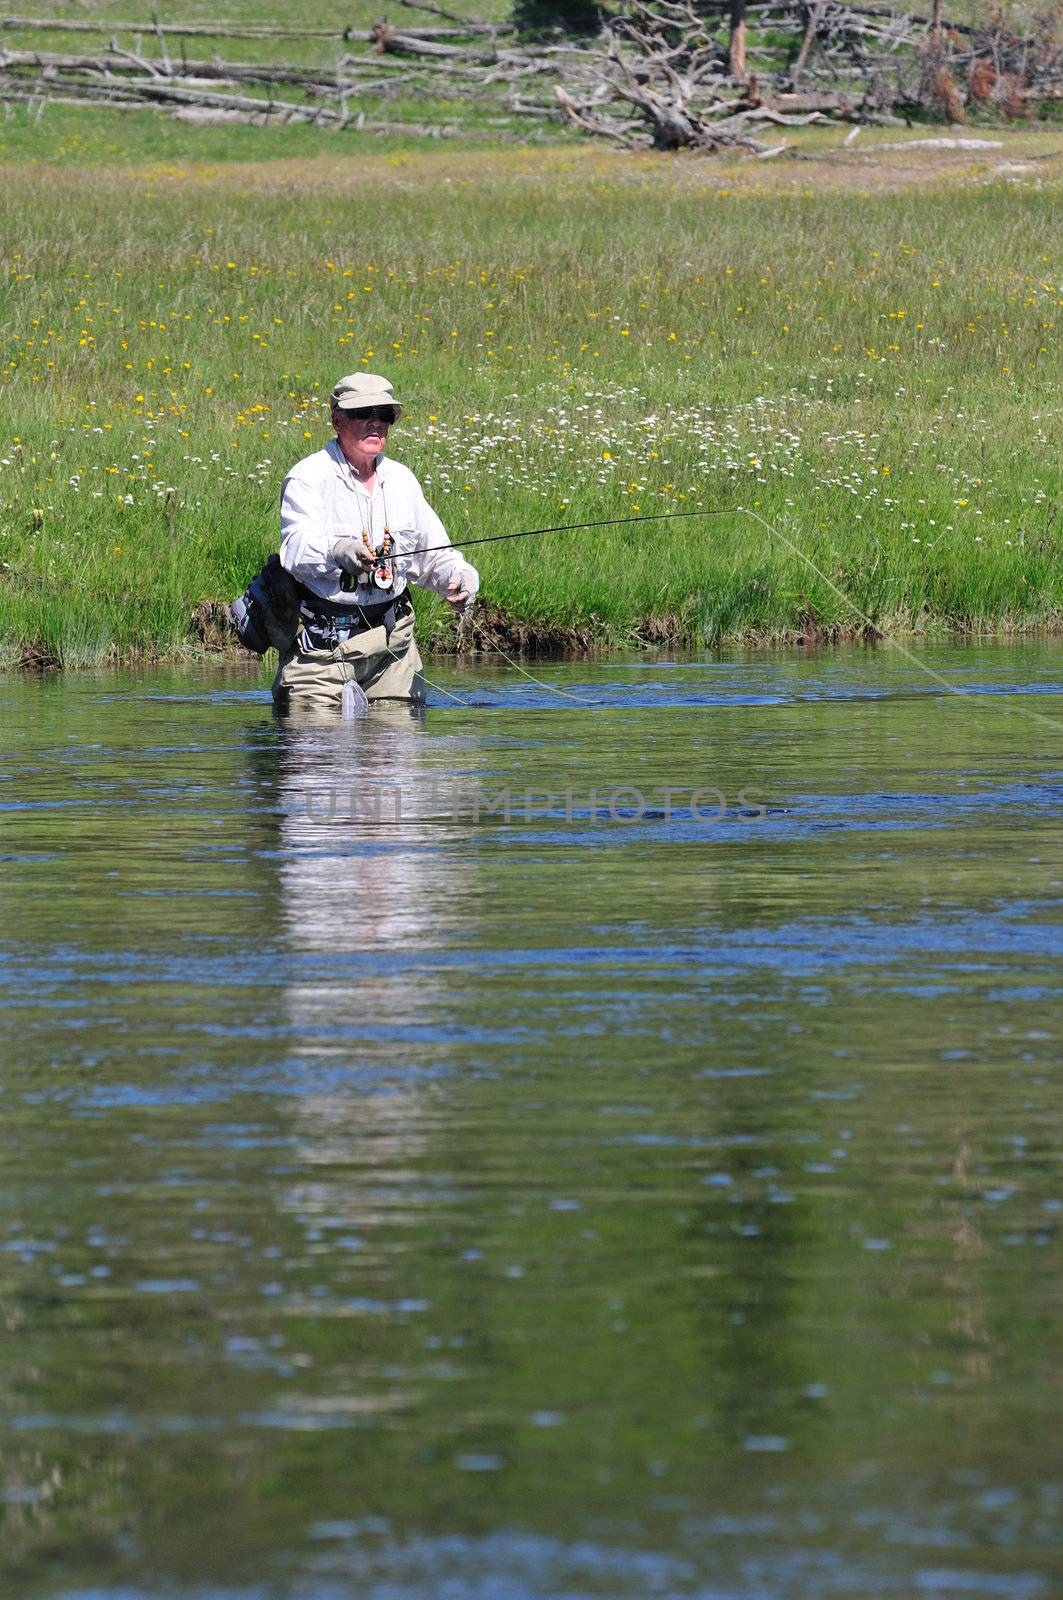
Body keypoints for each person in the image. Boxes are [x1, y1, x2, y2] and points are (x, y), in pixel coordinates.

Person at [271, 371, 479, 712]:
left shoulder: (402, 480)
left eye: (384, 415)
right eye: (361, 414)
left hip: (393, 650)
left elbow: (437, 558)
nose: (375, 423)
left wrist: (461, 581)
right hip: (320, 650)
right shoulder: (308, 477)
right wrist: (337, 551)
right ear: (336, 420)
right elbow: (294, 549)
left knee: (395, 756)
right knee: (316, 754)